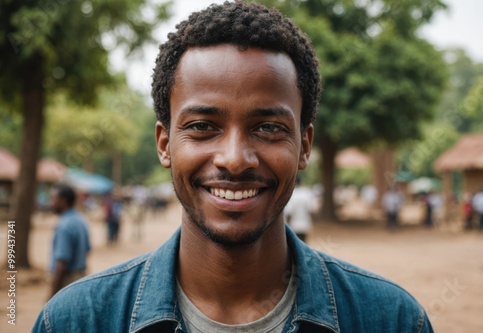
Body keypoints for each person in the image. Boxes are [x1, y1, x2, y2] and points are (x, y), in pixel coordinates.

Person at [33, 2, 433, 332]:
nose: (235, 159)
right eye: (203, 127)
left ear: (304, 147)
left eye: (269, 128)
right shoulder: (73, 321)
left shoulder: (392, 320)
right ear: (164, 144)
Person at [47, 183, 91, 298]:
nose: (51, 203)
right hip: (80, 277)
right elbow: (87, 249)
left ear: (63, 201)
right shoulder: (81, 220)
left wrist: (52, 295)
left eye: (53, 198)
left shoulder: (64, 225)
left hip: (66, 281)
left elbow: (62, 261)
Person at [284, 176, 316, 242]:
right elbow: (311, 210)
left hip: (294, 225)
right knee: (303, 244)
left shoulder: (291, 194)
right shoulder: (306, 193)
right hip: (305, 225)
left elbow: (289, 212)